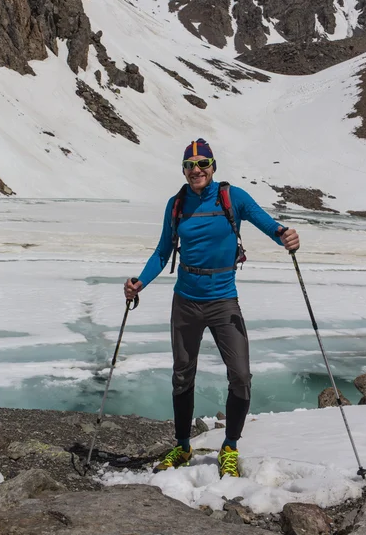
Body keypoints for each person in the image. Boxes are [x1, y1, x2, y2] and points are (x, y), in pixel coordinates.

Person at [125, 138, 300, 478]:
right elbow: (163, 252)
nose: (196, 170)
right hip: (186, 301)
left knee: (241, 376)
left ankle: (230, 446)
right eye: (189, 165)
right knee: (182, 375)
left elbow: (271, 227)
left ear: (213, 166)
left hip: (223, 301)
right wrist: (139, 283)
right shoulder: (177, 205)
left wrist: (286, 234)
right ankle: (182, 445)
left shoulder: (233, 198)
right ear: (184, 170)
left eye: (203, 163)